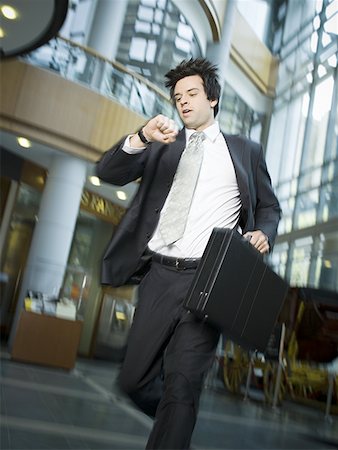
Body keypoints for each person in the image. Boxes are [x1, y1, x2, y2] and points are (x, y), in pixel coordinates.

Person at [96, 58, 281, 449]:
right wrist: (141, 137)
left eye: (192, 93)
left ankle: (177, 419)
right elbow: (108, 173)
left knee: (183, 385)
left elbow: (268, 206)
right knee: (133, 380)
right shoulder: (163, 146)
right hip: (159, 277)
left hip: (209, 283)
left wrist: (263, 232)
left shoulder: (244, 152)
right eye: (178, 96)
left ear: (212, 99)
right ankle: (175, 416)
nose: (183, 101)